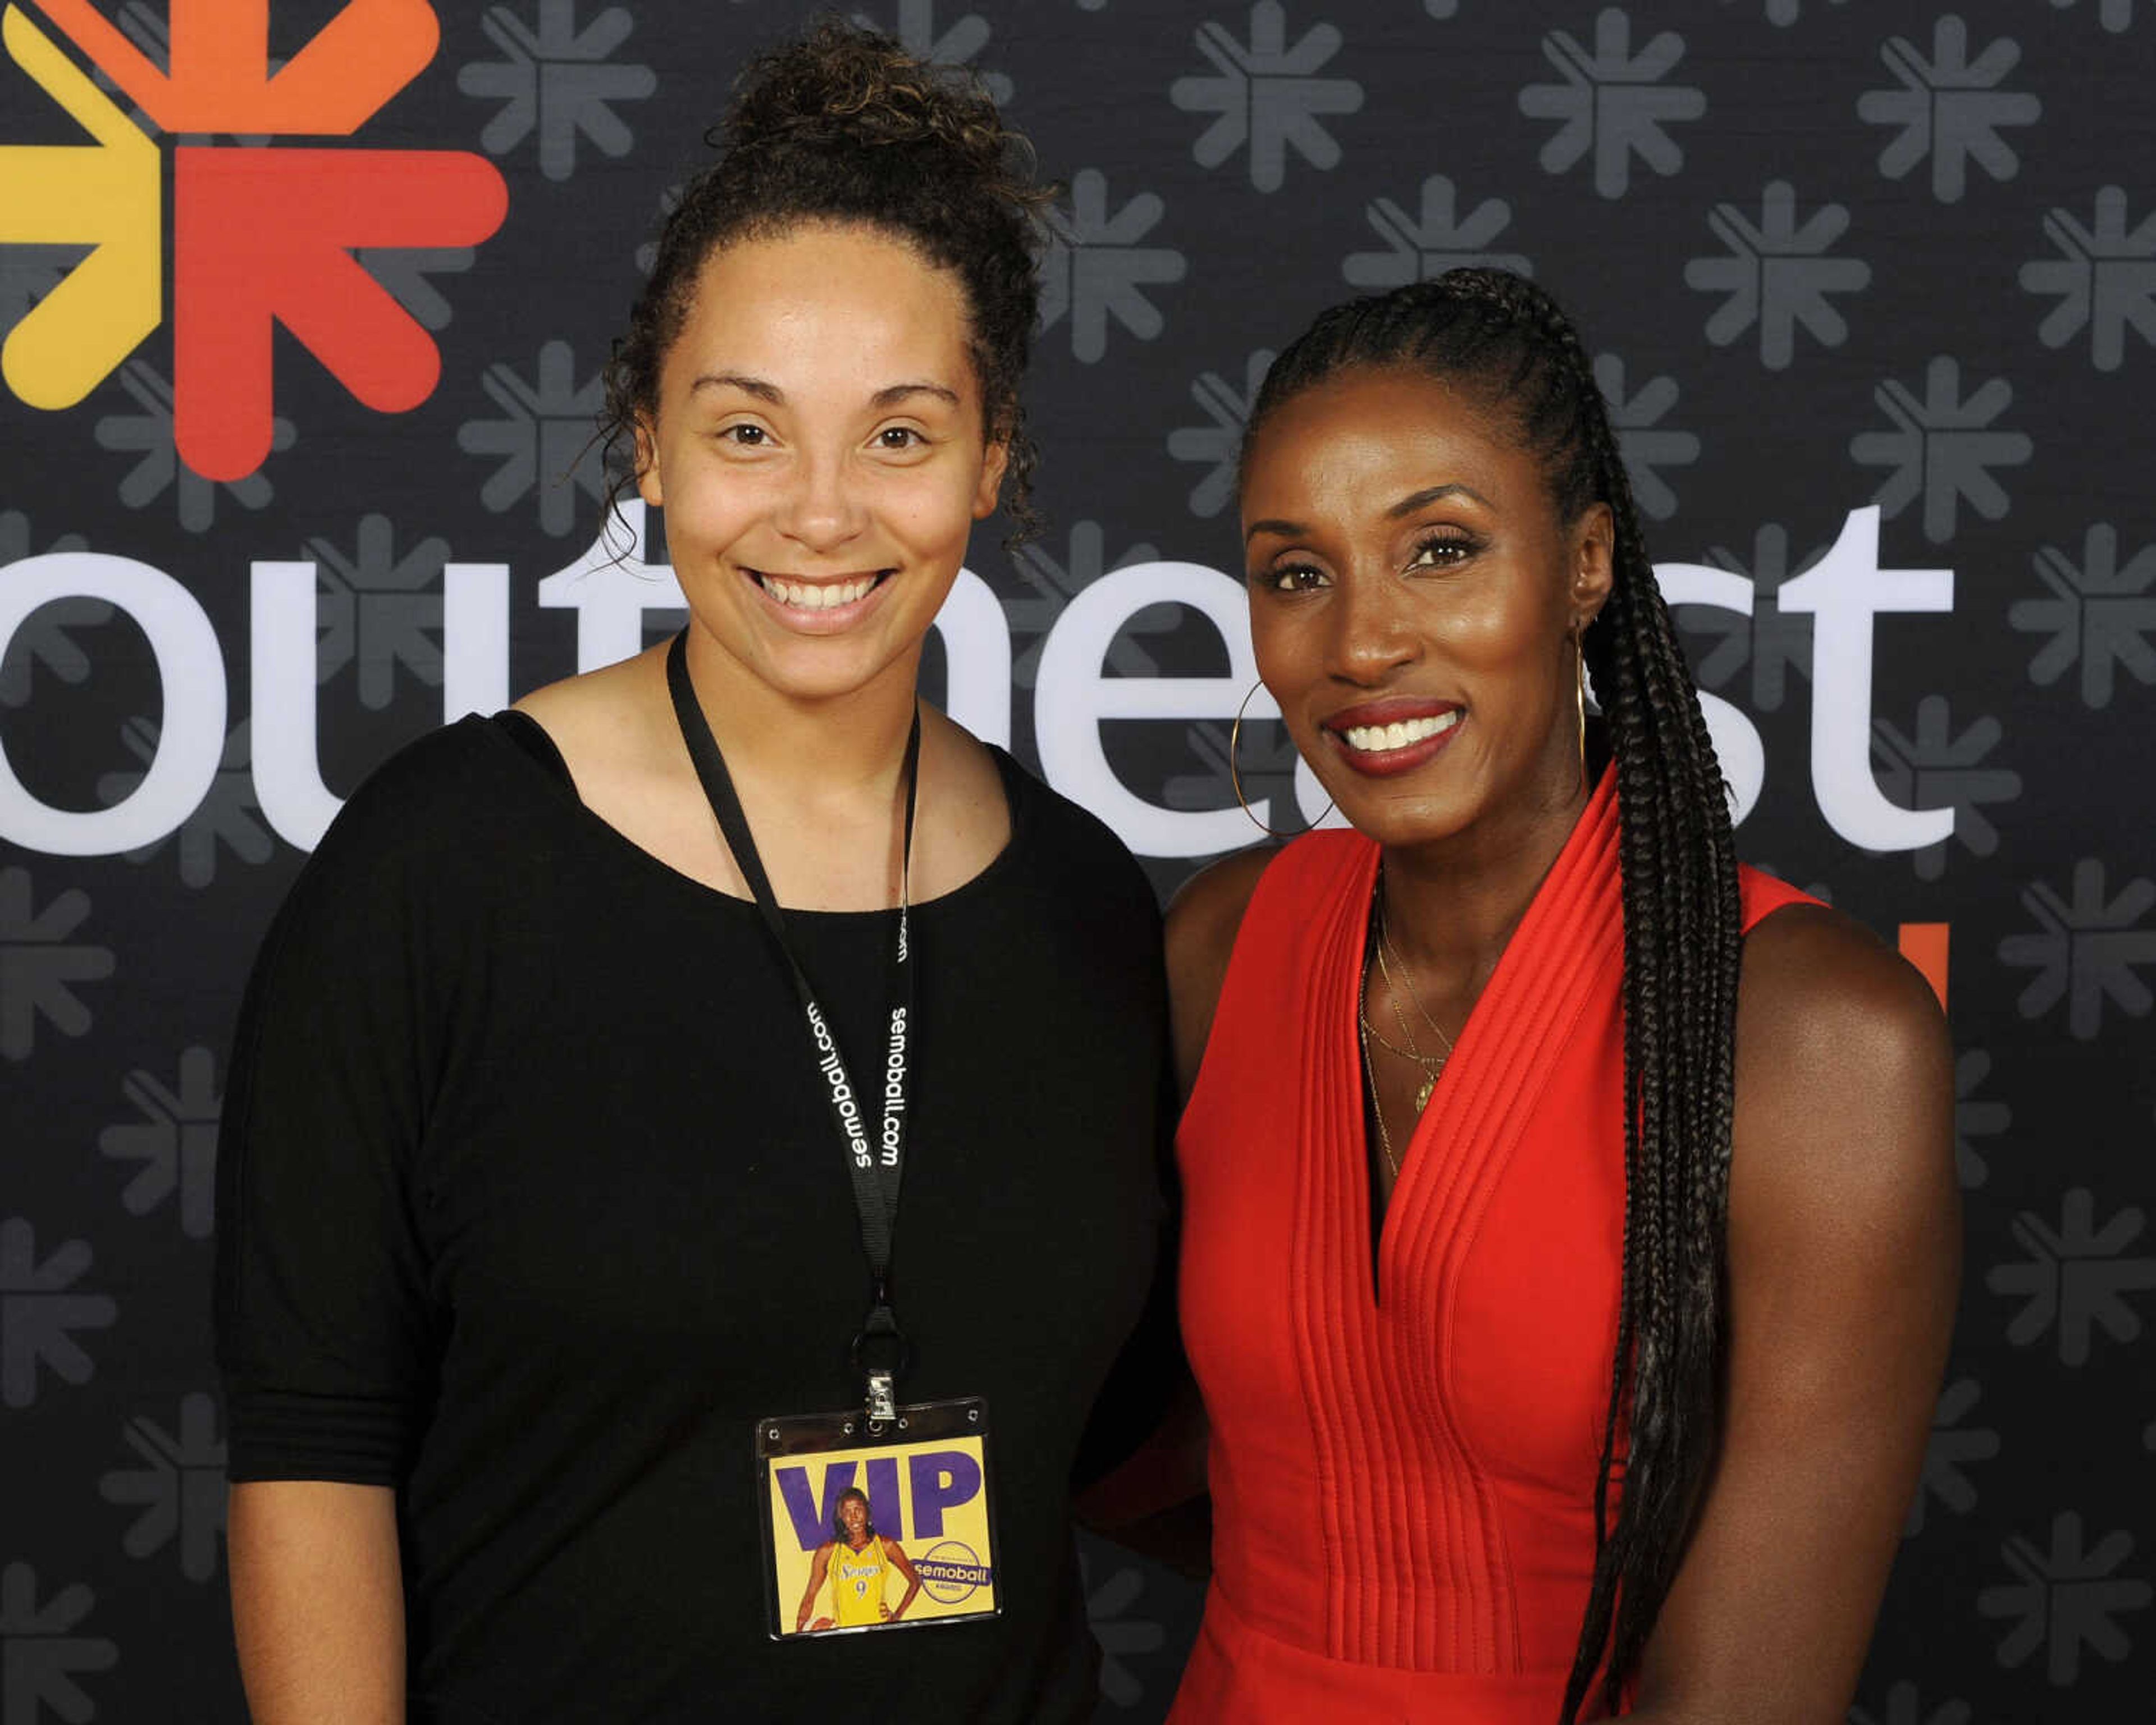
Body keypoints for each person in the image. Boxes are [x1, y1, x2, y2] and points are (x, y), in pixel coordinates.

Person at [214, 22, 1168, 1724]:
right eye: (746, 433)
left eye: (897, 434)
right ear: (644, 447)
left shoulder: (1082, 902)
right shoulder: (441, 868)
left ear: (991, 459)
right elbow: (312, 1457)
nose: (819, 512)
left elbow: (1144, 1424)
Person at [1162, 270, 1958, 1722]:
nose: (1359, 644)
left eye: (1443, 550)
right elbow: (1085, 1426)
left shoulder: (1817, 1039)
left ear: (1586, 564)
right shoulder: (1227, 946)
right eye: (1296, 573)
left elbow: (1740, 1703)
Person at [797, 1488, 922, 1632]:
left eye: (858, 1509)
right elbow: (810, 1596)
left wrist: (897, 1616)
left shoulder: (885, 1546)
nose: (854, 1517)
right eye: (847, 1512)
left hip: (880, 1628)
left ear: (867, 1512)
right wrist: (799, 1629)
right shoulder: (828, 1551)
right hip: (845, 1631)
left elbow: (915, 1581)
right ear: (841, 1517)